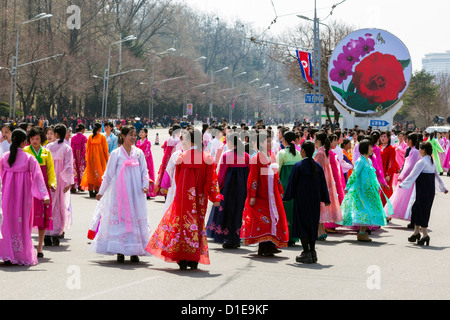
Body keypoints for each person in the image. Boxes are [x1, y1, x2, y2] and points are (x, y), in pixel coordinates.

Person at [146, 128, 222, 270]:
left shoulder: (181, 157)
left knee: (181, 225)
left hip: (183, 198)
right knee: (197, 224)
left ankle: (181, 257)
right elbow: (211, 181)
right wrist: (215, 197)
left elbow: (177, 179)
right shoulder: (207, 158)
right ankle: (194, 259)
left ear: (188, 141)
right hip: (199, 200)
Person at [89, 126, 151, 263]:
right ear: (123, 136)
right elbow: (108, 175)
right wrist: (101, 192)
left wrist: (145, 185)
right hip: (120, 194)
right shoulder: (116, 154)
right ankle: (120, 250)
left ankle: (135, 250)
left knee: (135, 218)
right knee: (120, 219)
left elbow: (144, 171)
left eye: (135, 135)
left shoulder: (139, 153)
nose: (134, 138)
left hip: (135, 193)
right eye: (131, 135)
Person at [0, 129, 50, 266]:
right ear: (24, 143)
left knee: (6, 222)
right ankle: (18, 253)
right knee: (21, 222)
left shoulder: (5, 157)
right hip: (22, 197)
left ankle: (6, 254)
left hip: (6, 196)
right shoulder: (29, 159)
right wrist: (44, 195)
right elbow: (38, 177)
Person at [240, 130, 289, 256]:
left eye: (270, 141)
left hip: (273, 194)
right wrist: (252, 195)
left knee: (274, 219)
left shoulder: (272, 156)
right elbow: (253, 178)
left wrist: (280, 190)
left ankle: (272, 244)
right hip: (262, 194)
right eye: (267, 141)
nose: (269, 143)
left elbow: (276, 175)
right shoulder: (256, 158)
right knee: (263, 221)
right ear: (261, 143)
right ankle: (264, 247)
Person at [283, 141, 330, 264]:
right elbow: (323, 185)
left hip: (301, 200)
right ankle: (313, 252)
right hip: (314, 201)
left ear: (303, 151)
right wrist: (326, 199)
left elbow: (291, 183)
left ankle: (306, 252)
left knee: (302, 225)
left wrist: (287, 197)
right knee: (312, 226)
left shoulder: (298, 166)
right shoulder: (317, 167)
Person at [339, 140, 393, 242]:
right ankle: (362, 233)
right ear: (365, 149)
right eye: (369, 148)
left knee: (368, 210)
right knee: (364, 210)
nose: (372, 149)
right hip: (361, 191)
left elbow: (372, 175)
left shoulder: (369, 160)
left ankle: (362, 232)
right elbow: (354, 175)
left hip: (369, 190)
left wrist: (377, 185)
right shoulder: (360, 161)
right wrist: (347, 187)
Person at [399, 141, 448, 246]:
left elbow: (413, 175)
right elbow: (437, 177)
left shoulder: (422, 162)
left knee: (421, 210)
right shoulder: (431, 162)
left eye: (420, 148)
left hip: (423, 190)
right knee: (418, 209)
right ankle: (416, 233)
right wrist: (443, 188)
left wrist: (403, 184)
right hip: (429, 191)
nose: (419, 150)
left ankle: (425, 235)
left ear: (424, 150)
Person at [207, 132, 250, 249]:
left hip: (229, 187)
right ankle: (236, 238)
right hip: (242, 188)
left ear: (230, 142)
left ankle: (227, 238)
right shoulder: (246, 155)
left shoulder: (227, 155)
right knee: (238, 211)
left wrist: (218, 188)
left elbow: (222, 173)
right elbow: (249, 173)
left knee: (227, 211)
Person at [23, 127, 57, 258]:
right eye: (32, 139)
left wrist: (52, 183)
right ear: (29, 140)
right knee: (27, 216)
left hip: (42, 188)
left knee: (42, 218)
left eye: (37, 139)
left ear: (41, 139)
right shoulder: (25, 151)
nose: (35, 141)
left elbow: (50, 170)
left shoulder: (46, 152)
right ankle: (28, 244)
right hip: (30, 188)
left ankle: (40, 246)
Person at [45, 124, 74, 246]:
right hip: (61, 180)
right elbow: (68, 166)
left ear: (56, 134)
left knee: (49, 204)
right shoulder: (67, 148)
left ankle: (47, 232)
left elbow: (44, 163)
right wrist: (68, 182)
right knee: (60, 205)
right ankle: (56, 232)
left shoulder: (48, 146)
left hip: (49, 178)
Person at [313, 131, 342, 240]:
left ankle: (320, 232)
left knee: (318, 207)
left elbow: (317, 169)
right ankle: (320, 231)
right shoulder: (325, 151)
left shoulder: (320, 152)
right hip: (326, 182)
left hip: (320, 182)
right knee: (321, 207)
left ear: (319, 140)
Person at [387, 133, 422, 222]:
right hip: (408, 177)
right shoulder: (413, 150)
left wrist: (402, 176)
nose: (406, 141)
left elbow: (410, 166)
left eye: (408, 139)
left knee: (402, 197)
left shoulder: (414, 151)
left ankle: (391, 214)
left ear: (411, 141)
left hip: (408, 178)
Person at [276, 131, 302, 246]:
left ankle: (283, 235)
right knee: (294, 211)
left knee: (283, 212)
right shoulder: (298, 153)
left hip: (284, 187)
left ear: (285, 140)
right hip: (296, 186)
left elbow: (277, 172)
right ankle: (293, 237)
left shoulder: (281, 153)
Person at [81, 123, 109, 198]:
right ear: (100, 128)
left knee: (91, 174)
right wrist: (107, 158)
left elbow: (87, 149)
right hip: (100, 159)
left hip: (91, 159)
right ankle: (97, 190)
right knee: (99, 173)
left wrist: (87, 158)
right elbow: (105, 149)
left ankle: (90, 191)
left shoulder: (90, 137)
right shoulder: (102, 137)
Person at [380, 130, 398, 206]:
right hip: (380, 172)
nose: (382, 138)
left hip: (387, 173)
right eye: (381, 136)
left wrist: (388, 174)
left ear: (388, 137)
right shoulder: (379, 147)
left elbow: (392, 162)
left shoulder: (391, 148)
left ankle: (387, 210)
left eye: (384, 136)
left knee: (387, 191)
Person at [136, 128, 155, 198]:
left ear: (146, 134)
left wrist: (142, 158)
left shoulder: (148, 142)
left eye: (142, 132)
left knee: (147, 174)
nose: (141, 133)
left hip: (147, 160)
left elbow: (147, 152)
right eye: (140, 132)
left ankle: (148, 192)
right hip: (139, 160)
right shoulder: (138, 142)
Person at [71, 124, 88, 192]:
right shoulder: (84, 138)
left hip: (74, 157)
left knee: (75, 170)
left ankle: (74, 185)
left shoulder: (73, 138)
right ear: (82, 130)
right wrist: (85, 157)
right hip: (81, 157)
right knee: (81, 170)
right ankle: (81, 186)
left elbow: (71, 148)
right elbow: (85, 148)